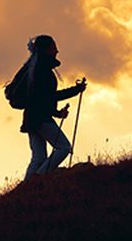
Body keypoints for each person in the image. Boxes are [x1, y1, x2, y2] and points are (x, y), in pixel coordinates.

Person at [18, 34, 87, 178]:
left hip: (31, 118)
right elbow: (49, 97)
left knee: (38, 157)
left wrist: (56, 113)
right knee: (64, 147)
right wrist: (76, 90)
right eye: (54, 47)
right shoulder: (43, 71)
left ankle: (27, 187)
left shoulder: (34, 69)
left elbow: (41, 99)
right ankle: (39, 179)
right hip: (41, 118)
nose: (57, 51)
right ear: (46, 50)